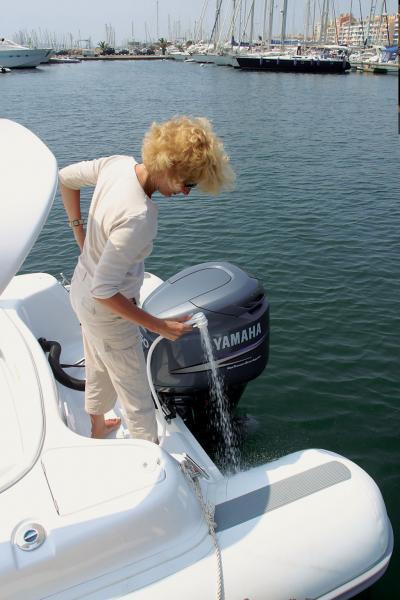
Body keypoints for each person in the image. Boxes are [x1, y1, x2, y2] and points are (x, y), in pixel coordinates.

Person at [59, 116, 235, 442]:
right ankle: (149, 462)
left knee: (98, 362)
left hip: (79, 289)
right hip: (107, 311)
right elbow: (105, 291)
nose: (185, 193)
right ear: (168, 166)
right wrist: (159, 326)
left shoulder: (117, 165)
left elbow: (65, 179)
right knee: (136, 394)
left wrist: (79, 232)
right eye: (187, 184)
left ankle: (97, 426)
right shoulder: (140, 215)